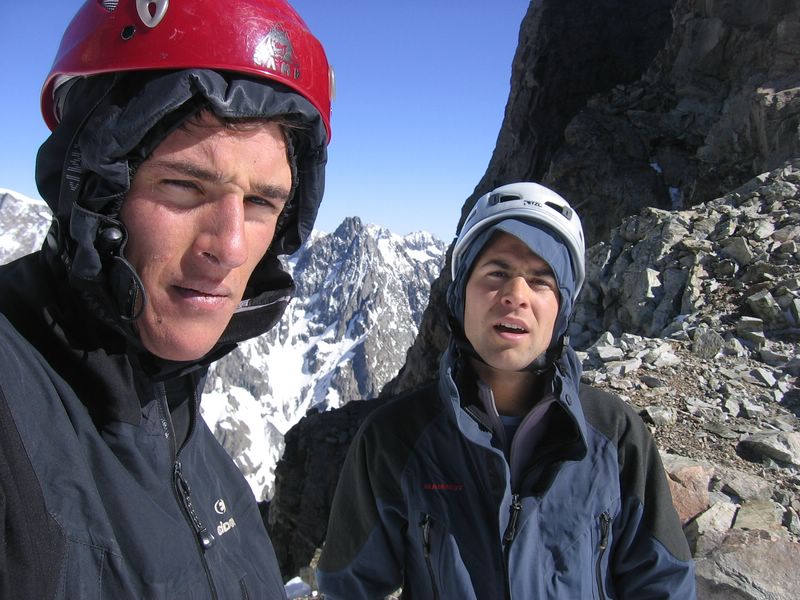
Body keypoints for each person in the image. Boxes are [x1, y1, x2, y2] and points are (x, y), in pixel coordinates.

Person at [0, 1, 331, 598]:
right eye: (183, 185)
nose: (230, 246)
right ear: (94, 191)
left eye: (261, 202)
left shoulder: (203, 461)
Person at [317, 182, 696, 599]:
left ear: (562, 308)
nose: (516, 296)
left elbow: (663, 584)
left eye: (540, 280)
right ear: (461, 293)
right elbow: (350, 589)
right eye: (497, 273)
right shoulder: (394, 439)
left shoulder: (614, 435)